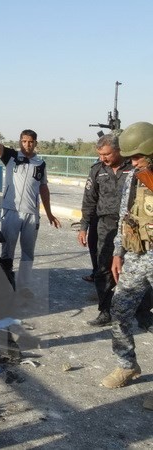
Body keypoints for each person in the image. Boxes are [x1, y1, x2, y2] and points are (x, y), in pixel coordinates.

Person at [0, 116, 61, 297]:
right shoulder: (11, 156)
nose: (27, 145)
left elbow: (43, 189)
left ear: (35, 143)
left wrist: (49, 213)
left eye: (30, 142)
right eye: (24, 141)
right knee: (8, 251)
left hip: (32, 214)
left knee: (28, 253)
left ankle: (24, 287)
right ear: (20, 141)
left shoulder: (41, 164)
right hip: (11, 212)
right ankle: (5, 284)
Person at [99, 122, 153, 408]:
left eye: (137, 157)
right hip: (136, 255)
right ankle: (127, 364)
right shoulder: (135, 176)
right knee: (119, 310)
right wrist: (118, 252)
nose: (132, 163)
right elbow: (125, 215)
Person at [78, 134, 133, 326]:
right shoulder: (97, 170)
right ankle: (105, 311)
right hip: (105, 226)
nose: (103, 158)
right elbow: (89, 200)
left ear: (119, 151)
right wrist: (84, 226)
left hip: (130, 227)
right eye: (100, 154)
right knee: (103, 269)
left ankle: (136, 311)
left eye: (107, 154)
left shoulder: (133, 168)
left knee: (132, 270)